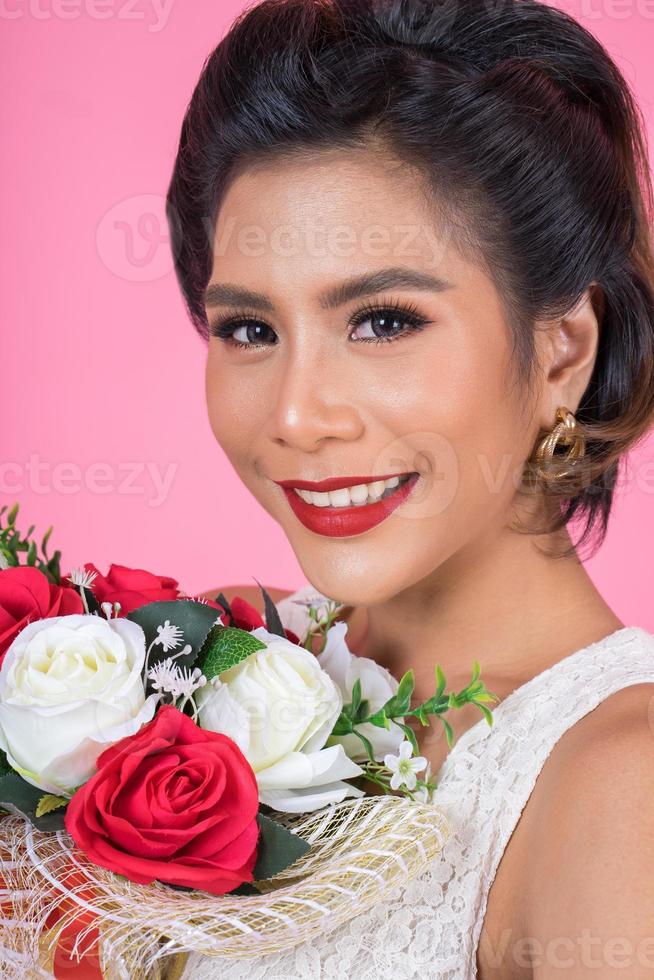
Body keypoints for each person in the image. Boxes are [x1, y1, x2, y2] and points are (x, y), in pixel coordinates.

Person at [165, 0, 654, 975]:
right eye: (250, 330)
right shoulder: (219, 659)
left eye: (384, 320)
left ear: (563, 352)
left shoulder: (620, 787)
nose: (299, 415)